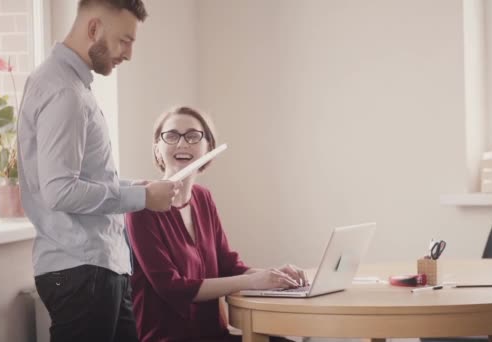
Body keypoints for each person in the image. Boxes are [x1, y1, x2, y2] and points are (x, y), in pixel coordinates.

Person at [17, 1, 179, 341]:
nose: (129, 54)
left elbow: (83, 180)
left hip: (96, 267)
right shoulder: (64, 92)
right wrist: (142, 196)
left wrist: (138, 187)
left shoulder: (71, 87)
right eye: (124, 40)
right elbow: (60, 190)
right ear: (94, 29)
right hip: (82, 270)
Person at [126, 106, 308, 342]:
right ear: (157, 150)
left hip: (214, 335)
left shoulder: (203, 198)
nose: (182, 143)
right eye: (171, 136)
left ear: (208, 149)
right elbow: (172, 288)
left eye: (193, 136)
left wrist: (273, 276)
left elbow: (228, 265)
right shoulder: (141, 207)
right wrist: (253, 280)